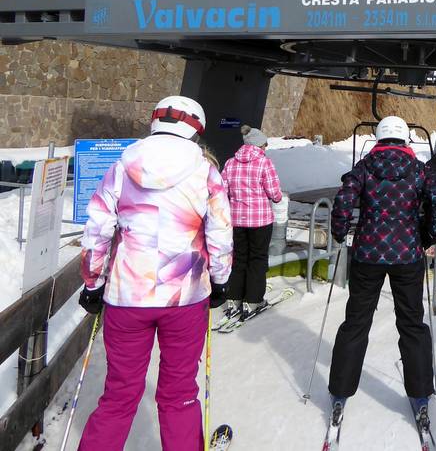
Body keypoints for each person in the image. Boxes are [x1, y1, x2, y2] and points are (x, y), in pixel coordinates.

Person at [77, 96, 233, 451]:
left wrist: (93, 282)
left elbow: (98, 228)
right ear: (196, 129)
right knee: (179, 394)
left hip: (127, 294)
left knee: (119, 394)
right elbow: (221, 232)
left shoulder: (122, 167)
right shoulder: (205, 171)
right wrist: (220, 279)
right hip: (185, 296)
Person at [329, 116, 436, 424]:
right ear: (406, 138)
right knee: (412, 324)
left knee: (356, 322)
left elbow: (343, 199)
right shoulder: (419, 170)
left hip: (367, 254)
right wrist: (430, 236)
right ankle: (420, 394)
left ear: (379, 138)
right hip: (407, 254)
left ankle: (340, 391)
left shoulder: (364, 167)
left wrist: (340, 232)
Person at [220, 124, 283, 322]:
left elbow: (222, 190)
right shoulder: (264, 163)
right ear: (259, 145)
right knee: (257, 259)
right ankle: (253, 300)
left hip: (236, 220)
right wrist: (278, 197)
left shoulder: (230, 163)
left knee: (239, 258)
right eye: (264, 145)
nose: (265, 148)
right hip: (260, 221)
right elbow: (274, 193)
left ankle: (234, 298)